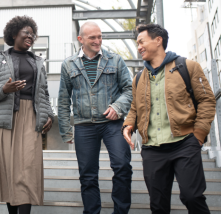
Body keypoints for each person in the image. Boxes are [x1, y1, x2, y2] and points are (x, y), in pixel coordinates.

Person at [123, 24, 216, 214]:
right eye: (137, 43)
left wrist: (198, 134)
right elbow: (135, 107)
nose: (138, 46)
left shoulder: (187, 67)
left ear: (158, 41)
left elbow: (207, 100)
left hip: (185, 144)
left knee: (192, 197)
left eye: (141, 42)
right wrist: (128, 124)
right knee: (158, 205)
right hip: (152, 149)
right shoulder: (139, 78)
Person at [0, 15, 54, 214]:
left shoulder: (37, 62)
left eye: (33, 33)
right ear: (14, 34)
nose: (31, 36)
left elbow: (44, 94)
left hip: (31, 119)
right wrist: (4, 89)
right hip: (7, 120)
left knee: (27, 170)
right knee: (9, 171)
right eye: (26, 32)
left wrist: (49, 115)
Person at [58, 21, 133, 214]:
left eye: (99, 36)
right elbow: (64, 99)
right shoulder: (68, 64)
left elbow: (129, 90)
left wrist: (118, 106)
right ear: (81, 39)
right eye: (92, 37)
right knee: (88, 175)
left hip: (113, 124)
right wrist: (66, 130)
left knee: (122, 166)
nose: (97, 40)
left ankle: (121, 211)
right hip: (84, 126)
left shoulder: (116, 60)